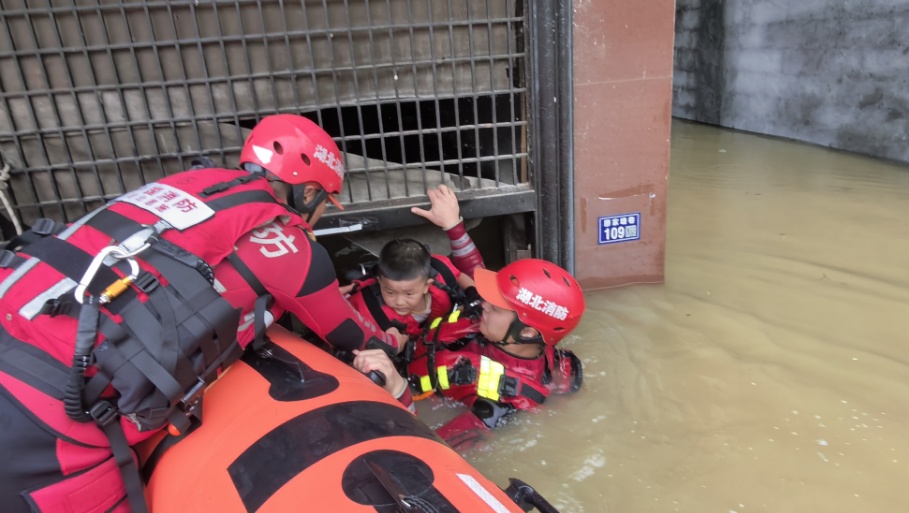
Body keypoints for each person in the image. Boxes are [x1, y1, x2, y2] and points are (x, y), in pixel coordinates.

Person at [0, 114, 404, 513]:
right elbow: (354, 337)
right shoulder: (291, 244)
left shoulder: (189, 183)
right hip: (55, 408)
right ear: (310, 192)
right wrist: (392, 341)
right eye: (324, 203)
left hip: (17, 313)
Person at [406, 258, 586, 450]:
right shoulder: (493, 326)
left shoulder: (506, 403)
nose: (484, 305)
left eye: (496, 307)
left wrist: (397, 389)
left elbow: (428, 453)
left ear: (527, 332)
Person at [342, 184, 486, 340]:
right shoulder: (367, 309)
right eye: (389, 292)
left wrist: (472, 292)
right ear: (379, 281)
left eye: (409, 293)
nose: (399, 302)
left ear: (427, 286)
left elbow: (458, 275)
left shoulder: (440, 270)